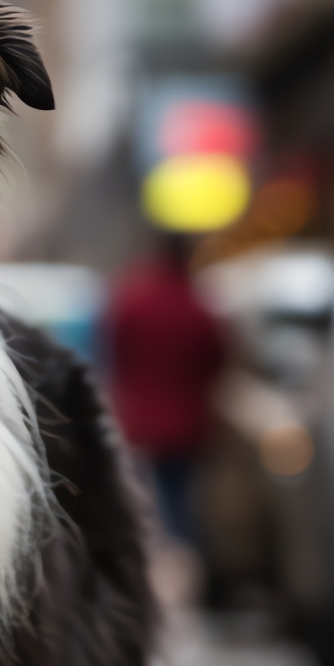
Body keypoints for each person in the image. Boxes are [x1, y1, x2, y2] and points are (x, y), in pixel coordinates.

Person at [104, 231, 227, 554]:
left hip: (140, 421)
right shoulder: (197, 306)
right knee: (179, 499)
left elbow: (116, 352)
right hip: (186, 424)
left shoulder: (132, 299)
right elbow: (215, 361)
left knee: (138, 497)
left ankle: (144, 559)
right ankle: (182, 561)